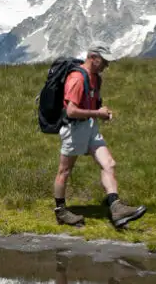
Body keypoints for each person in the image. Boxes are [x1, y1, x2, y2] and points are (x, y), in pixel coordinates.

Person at [52, 46, 146, 229]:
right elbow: (71, 110)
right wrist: (97, 113)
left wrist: (100, 113)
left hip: (90, 126)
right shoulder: (77, 78)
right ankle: (61, 211)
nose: (107, 65)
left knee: (109, 163)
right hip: (74, 129)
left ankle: (116, 208)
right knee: (64, 171)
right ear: (93, 57)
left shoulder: (96, 79)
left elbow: (93, 103)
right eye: (104, 61)